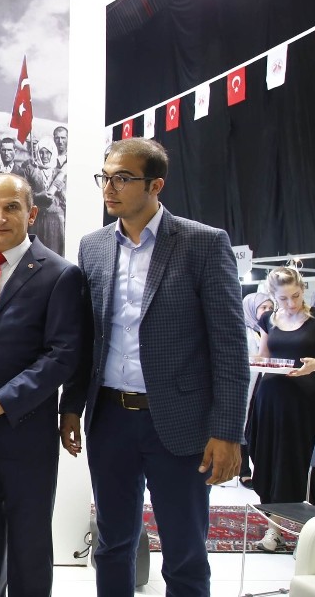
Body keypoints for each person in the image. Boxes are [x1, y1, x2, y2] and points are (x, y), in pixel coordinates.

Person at [60, 137, 248, 597]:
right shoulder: (94, 247)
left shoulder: (203, 243)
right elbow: (88, 338)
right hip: (110, 418)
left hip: (181, 423)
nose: (109, 188)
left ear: (155, 185)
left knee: (184, 552)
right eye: (105, 177)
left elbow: (229, 347)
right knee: (112, 544)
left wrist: (227, 432)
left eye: (122, 178)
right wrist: (71, 406)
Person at [0, 173, 83, 596]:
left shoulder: (60, 274)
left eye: (12, 208)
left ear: (32, 214)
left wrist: (2, 401)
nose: (0, 217)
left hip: (25, 433)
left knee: (29, 547)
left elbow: (63, 355)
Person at [247, 266, 315, 552]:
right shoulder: (268, 319)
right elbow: (265, 356)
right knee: (270, 461)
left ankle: (309, 529)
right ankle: (274, 530)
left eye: (295, 296)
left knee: (301, 462)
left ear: (303, 290)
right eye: (283, 298)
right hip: (270, 399)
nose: (291, 303)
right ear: (274, 297)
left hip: (303, 403)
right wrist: (251, 360)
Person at [239, 291, 274, 488]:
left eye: (270, 307)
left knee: (258, 427)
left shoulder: (270, 330)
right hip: (248, 385)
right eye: (263, 307)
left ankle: (261, 470)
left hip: (265, 384)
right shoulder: (243, 331)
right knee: (244, 425)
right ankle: (244, 471)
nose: (267, 311)